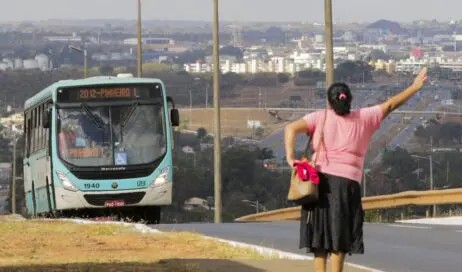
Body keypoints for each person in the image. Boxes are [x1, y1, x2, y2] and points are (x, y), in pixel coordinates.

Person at [284, 67, 428, 272]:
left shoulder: (320, 117)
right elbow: (391, 104)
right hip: (347, 185)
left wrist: (291, 158)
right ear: (349, 99)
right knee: (340, 234)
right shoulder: (365, 117)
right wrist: (414, 87)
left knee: (320, 236)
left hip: (319, 182)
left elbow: (290, 128)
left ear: (329, 102)